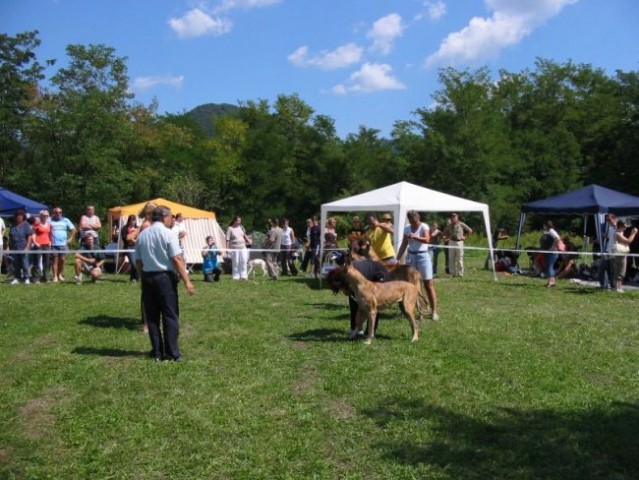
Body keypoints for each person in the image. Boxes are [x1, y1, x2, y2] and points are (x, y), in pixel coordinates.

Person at [135, 205, 195, 362]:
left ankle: (156, 352)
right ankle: (172, 353)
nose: (172, 220)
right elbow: (176, 258)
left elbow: (139, 261)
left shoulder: (142, 235)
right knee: (170, 315)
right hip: (164, 278)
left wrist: (143, 278)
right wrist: (187, 281)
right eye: (170, 217)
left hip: (148, 277)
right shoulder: (168, 234)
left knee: (152, 317)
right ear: (163, 218)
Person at [396, 210, 439, 321]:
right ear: (409, 219)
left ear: (418, 217)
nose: (414, 223)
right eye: (412, 221)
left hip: (423, 256)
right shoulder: (407, 228)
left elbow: (427, 240)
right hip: (411, 256)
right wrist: (397, 258)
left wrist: (415, 237)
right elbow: (404, 244)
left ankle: (434, 311)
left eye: (415, 220)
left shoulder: (424, 226)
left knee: (428, 284)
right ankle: (410, 311)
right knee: (411, 286)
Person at [49, 206, 77, 282]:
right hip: (53, 244)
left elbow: (74, 229)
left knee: (62, 259)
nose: (58, 214)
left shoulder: (66, 220)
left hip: (63, 244)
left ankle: (60, 274)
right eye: (56, 212)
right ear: (53, 213)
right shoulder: (50, 220)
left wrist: (71, 238)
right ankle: (55, 276)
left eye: (60, 212)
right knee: (54, 260)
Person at [611, 220, 638, 293]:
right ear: (620, 226)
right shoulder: (617, 234)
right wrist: (633, 233)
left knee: (622, 271)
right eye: (624, 226)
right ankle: (616, 287)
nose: (626, 228)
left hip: (623, 253)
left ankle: (619, 287)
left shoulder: (621, 233)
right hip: (619, 254)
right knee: (619, 271)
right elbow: (628, 241)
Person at [442, 213, 473, 277]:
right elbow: (444, 233)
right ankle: (452, 273)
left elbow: (470, 230)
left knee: (459, 258)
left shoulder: (461, 224)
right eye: (452, 217)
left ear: (457, 217)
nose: (453, 218)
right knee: (451, 258)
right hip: (451, 242)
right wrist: (447, 237)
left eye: (454, 217)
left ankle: (460, 273)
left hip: (459, 242)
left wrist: (465, 237)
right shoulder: (449, 225)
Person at [9, 210, 32, 284]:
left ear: (23, 217)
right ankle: (17, 278)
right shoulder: (13, 225)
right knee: (16, 264)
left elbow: (29, 236)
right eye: (18, 216)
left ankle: (26, 278)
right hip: (14, 248)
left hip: (23, 247)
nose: (19, 217)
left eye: (21, 216)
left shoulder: (26, 225)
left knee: (25, 263)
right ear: (15, 217)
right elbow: (10, 237)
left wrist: (27, 247)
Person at [226, 215, 251, 280]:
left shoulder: (241, 227)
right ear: (234, 221)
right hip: (234, 248)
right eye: (238, 221)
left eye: (240, 221)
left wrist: (248, 240)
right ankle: (236, 276)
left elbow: (244, 235)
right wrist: (227, 248)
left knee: (243, 260)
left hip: (243, 247)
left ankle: (243, 275)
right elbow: (227, 239)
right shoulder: (230, 228)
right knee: (236, 261)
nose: (239, 222)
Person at [31, 210, 52, 283]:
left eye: (47, 215)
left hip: (47, 245)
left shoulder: (49, 224)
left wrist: (50, 241)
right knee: (36, 262)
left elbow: (50, 234)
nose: (45, 217)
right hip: (38, 245)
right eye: (44, 215)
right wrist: (35, 242)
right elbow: (33, 234)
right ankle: (36, 278)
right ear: (40, 216)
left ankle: (46, 277)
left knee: (47, 262)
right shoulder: (36, 224)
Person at [597, 213, 617, 289]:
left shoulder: (618, 228)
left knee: (612, 270)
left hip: (614, 251)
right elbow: (609, 237)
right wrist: (603, 235)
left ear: (614, 219)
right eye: (607, 220)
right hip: (608, 251)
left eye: (609, 220)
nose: (608, 222)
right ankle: (603, 285)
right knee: (602, 268)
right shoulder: (610, 228)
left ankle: (613, 286)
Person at [540, 220, 561, 287]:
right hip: (546, 252)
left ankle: (551, 282)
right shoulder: (547, 232)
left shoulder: (551, 231)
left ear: (546, 225)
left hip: (552, 253)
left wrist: (552, 247)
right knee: (548, 266)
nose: (543, 226)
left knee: (550, 267)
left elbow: (557, 239)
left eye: (544, 225)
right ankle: (549, 281)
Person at [121, 214, 139, 282]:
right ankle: (135, 278)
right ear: (129, 221)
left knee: (137, 263)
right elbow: (125, 237)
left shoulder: (137, 228)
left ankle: (134, 278)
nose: (133, 222)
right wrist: (132, 240)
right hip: (128, 247)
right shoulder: (124, 228)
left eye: (134, 220)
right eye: (131, 220)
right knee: (133, 263)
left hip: (137, 248)